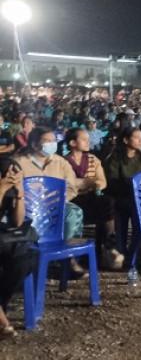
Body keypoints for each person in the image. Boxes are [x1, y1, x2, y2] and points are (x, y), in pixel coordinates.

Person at [15, 127, 87, 277]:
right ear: (34, 144)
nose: (51, 144)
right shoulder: (19, 163)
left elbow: (71, 187)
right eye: (47, 141)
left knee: (73, 212)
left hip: (55, 206)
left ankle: (66, 257)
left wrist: (56, 202)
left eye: (53, 141)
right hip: (28, 209)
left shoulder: (60, 163)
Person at [64, 128, 123, 270]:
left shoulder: (93, 159)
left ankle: (109, 245)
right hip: (72, 199)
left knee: (107, 202)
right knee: (98, 209)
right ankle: (77, 256)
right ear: (72, 143)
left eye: (88, 139)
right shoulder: (63, 162)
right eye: (84, 139)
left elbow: (102, 181)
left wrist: (93, 184)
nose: (88, 142)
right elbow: (66, 184)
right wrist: (85, 182)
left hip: (90, 197)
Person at [0, 157, 34, 339]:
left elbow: (18, 222)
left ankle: (1, 306)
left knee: (24, 260)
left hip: (4, 239)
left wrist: (19, 193)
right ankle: (2, 321)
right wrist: (1, 189)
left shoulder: (11, 191)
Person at [103, 127, 141, 253]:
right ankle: (121, 249)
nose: (140, 141)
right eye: (136, 138)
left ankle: (137, 250)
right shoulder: (115, 159)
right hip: (120, 196)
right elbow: (112, 182)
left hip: (138, 197)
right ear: (126, 140)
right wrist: (130, 185)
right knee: (122, 210)